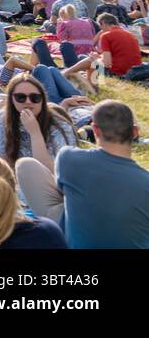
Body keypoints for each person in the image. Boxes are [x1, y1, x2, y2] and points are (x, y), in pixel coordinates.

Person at [12, 100, 149, 246]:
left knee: (26, 165)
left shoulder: (69, 158)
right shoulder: (145, 181)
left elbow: (60, 191)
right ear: (135, 132)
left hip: (65, 240)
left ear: (95, 130)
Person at [0, 74, 76, 171]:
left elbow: (56, 172)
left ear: (42, 99)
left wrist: (35, 133)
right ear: (11, 99)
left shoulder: (59, 124)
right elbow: (3, 161)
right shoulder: (3, 117)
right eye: (20, 97)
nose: (28, 102)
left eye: (35, 97)